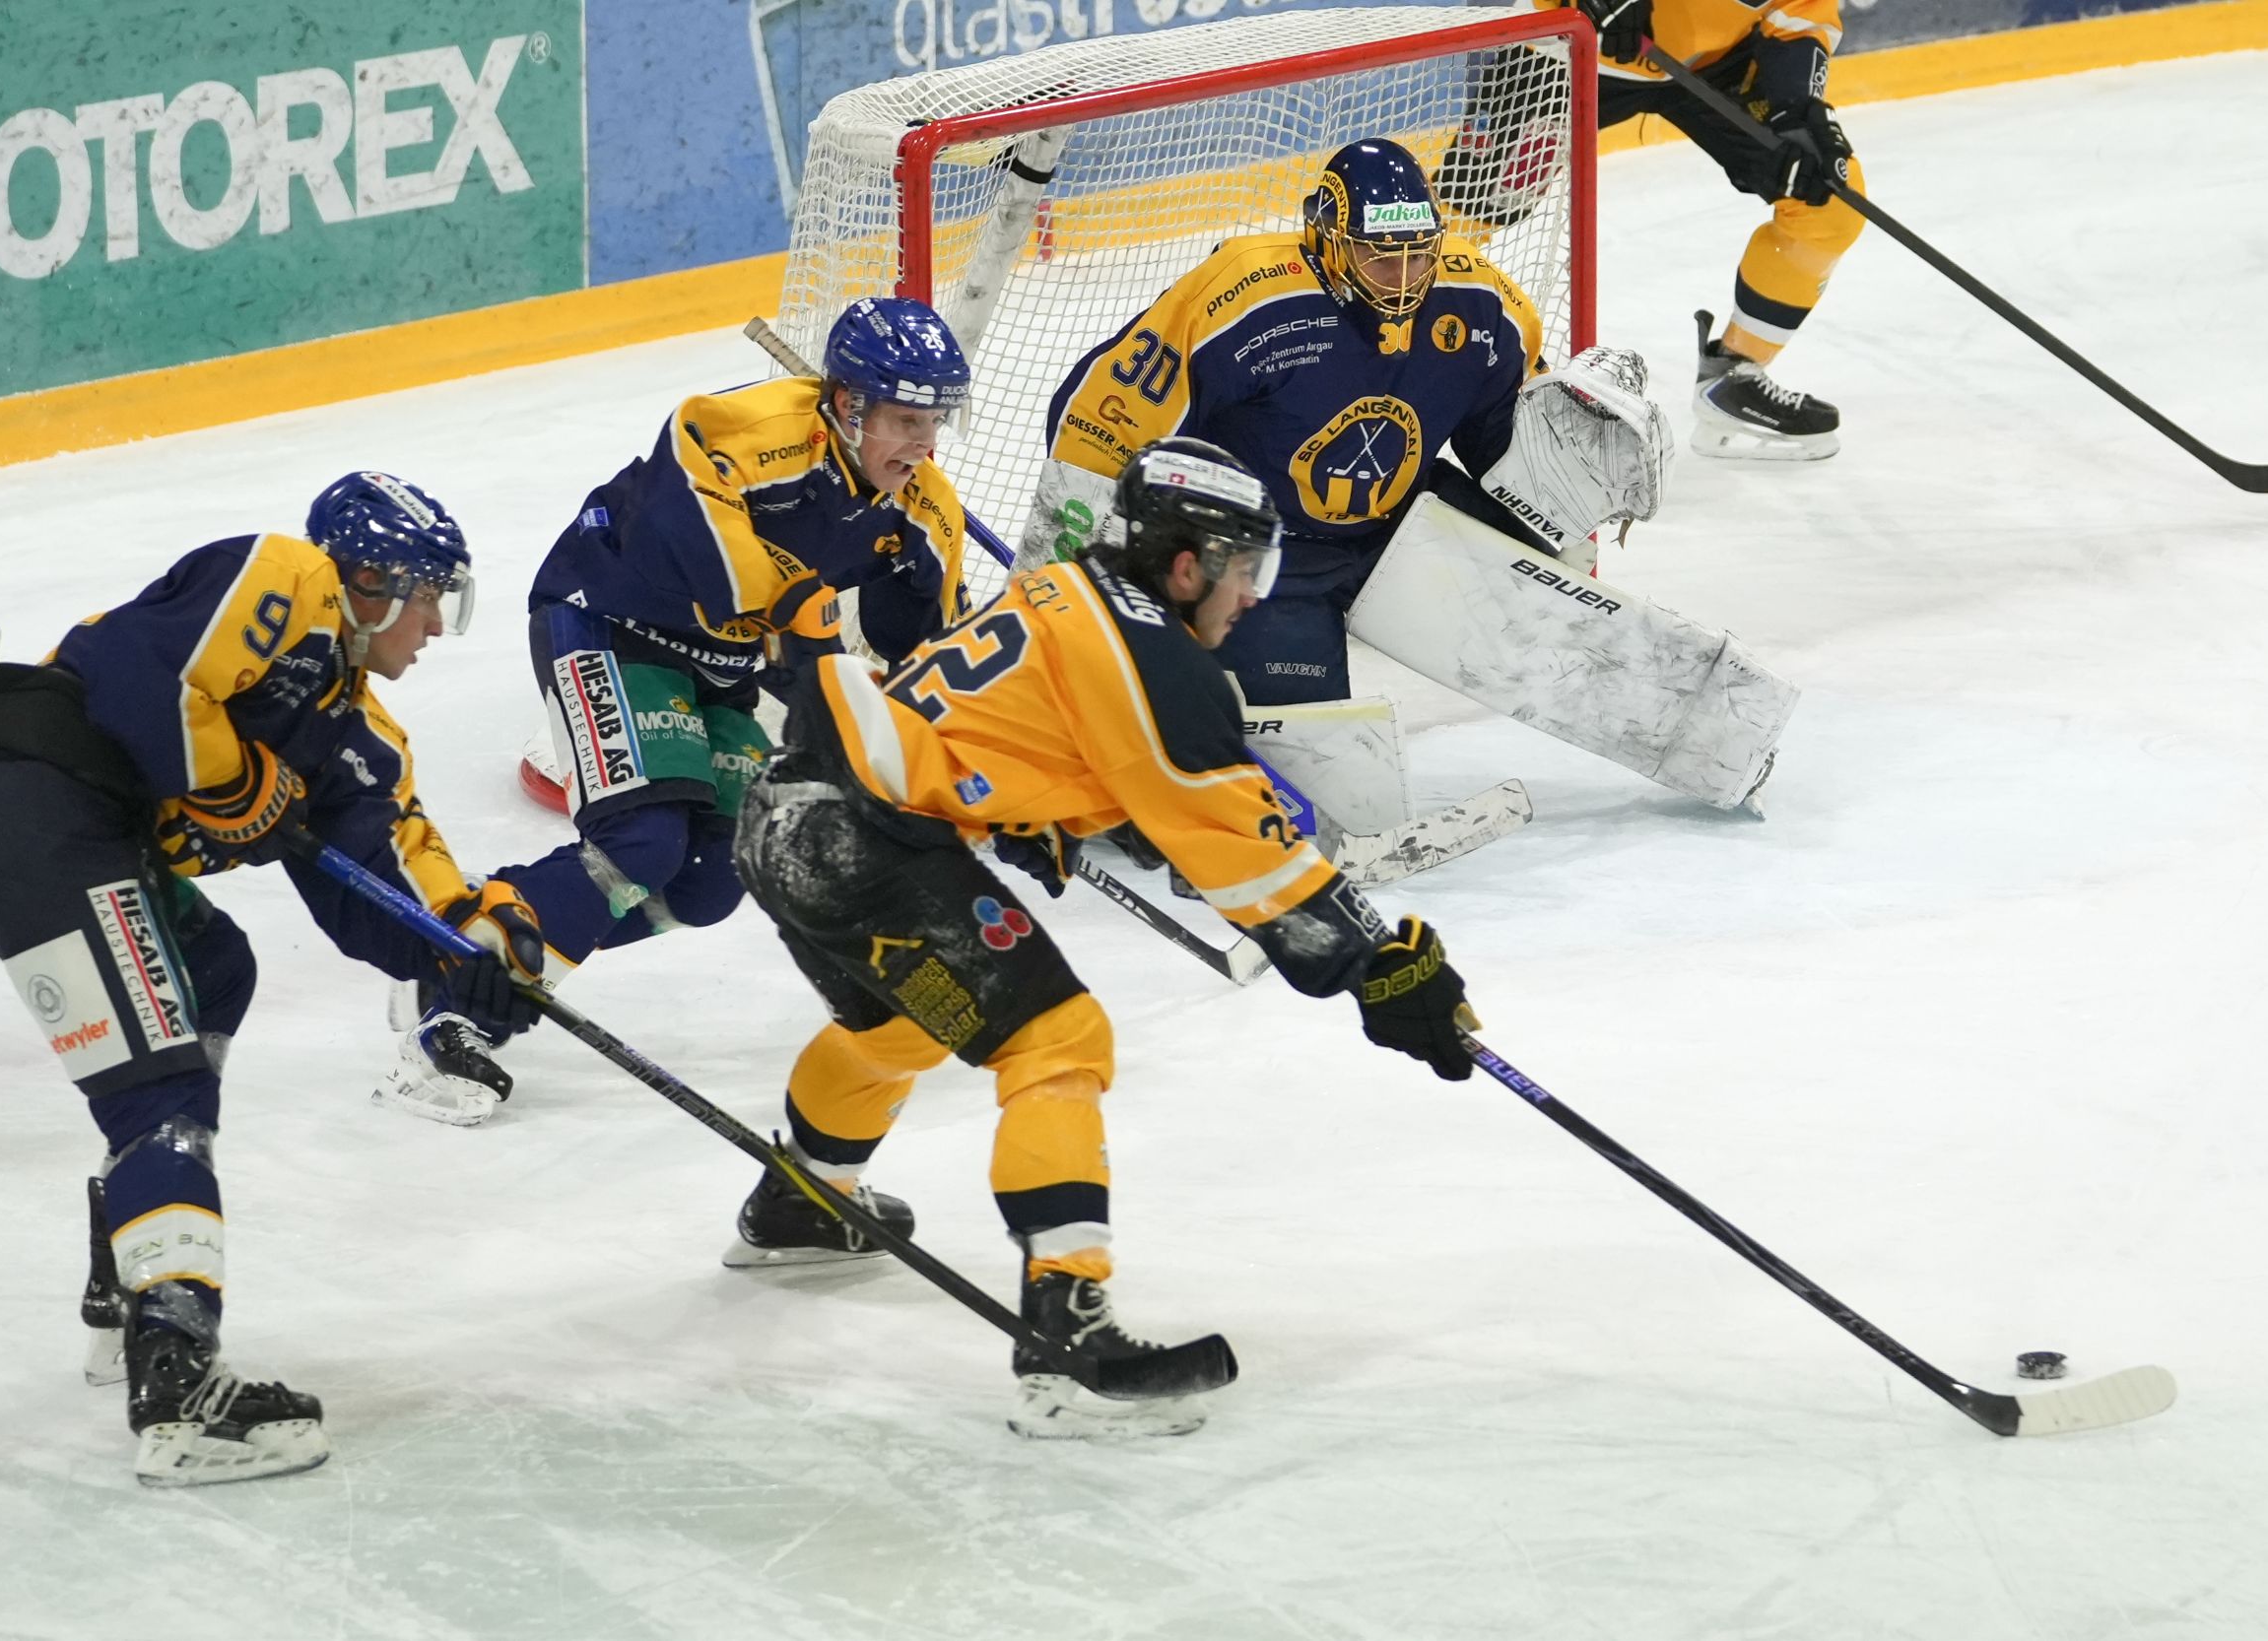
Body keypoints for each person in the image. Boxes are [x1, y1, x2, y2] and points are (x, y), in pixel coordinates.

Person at [734, 436, 1482, 1438]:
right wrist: (1378, 966)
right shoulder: (1155, 659)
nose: (1251, 596)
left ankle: (802, 1201)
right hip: (864, 844)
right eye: (1242, 568)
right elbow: (1241, 846)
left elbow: (1014, 730)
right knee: (1058, 1041)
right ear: (1187, 565)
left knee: (902, 1027)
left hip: (785, 815)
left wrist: (1026, 806)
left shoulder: (1067, 589)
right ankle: (1067, 1348)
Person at [0, 473, 545, 1487]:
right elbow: (148, 680)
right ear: (369, 581)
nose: (433, 627)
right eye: (426, 597)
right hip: (21, 801)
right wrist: (237, 781)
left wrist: (468, 953)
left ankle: (132, 1276)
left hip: (60, 831)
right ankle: (180, 1389)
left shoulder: (355, 736)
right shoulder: (289, 578)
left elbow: (383, 883)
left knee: (213, 968)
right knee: (155, 1095)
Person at [373, 296, 977, 1129]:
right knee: (642, 844)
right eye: (906, 420)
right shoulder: (739, 431)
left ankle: (487, 924)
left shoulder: (922, 510)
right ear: (847, 404)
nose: (924, 444)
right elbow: (697, 547)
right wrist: (798, 619)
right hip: (607, 623)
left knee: (705, 883)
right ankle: (461, 1005)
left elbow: (932, 661)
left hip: (717, 669)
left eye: (935, 422)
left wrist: (942, 739)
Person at [1021, 137, 1656, 707]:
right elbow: (1100, 418)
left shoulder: (1482, 301)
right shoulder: (1247, 293)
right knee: (1303, 737)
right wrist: (1067, 579)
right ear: (1327, 240)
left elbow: (1502, 440)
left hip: (1401, 526)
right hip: (1265, 554)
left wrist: (1569, 479)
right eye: (1379, 257)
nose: (1404, 278)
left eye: (1419, 255)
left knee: (1551, 592)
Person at [1443, 0, 1859, 458]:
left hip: (1714, 60)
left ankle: (1733, 378)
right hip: (1580, 42)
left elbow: (1801, 11)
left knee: (1827, 198)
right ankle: (1397, 356)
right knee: (1461, 213)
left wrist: (1797, 111)